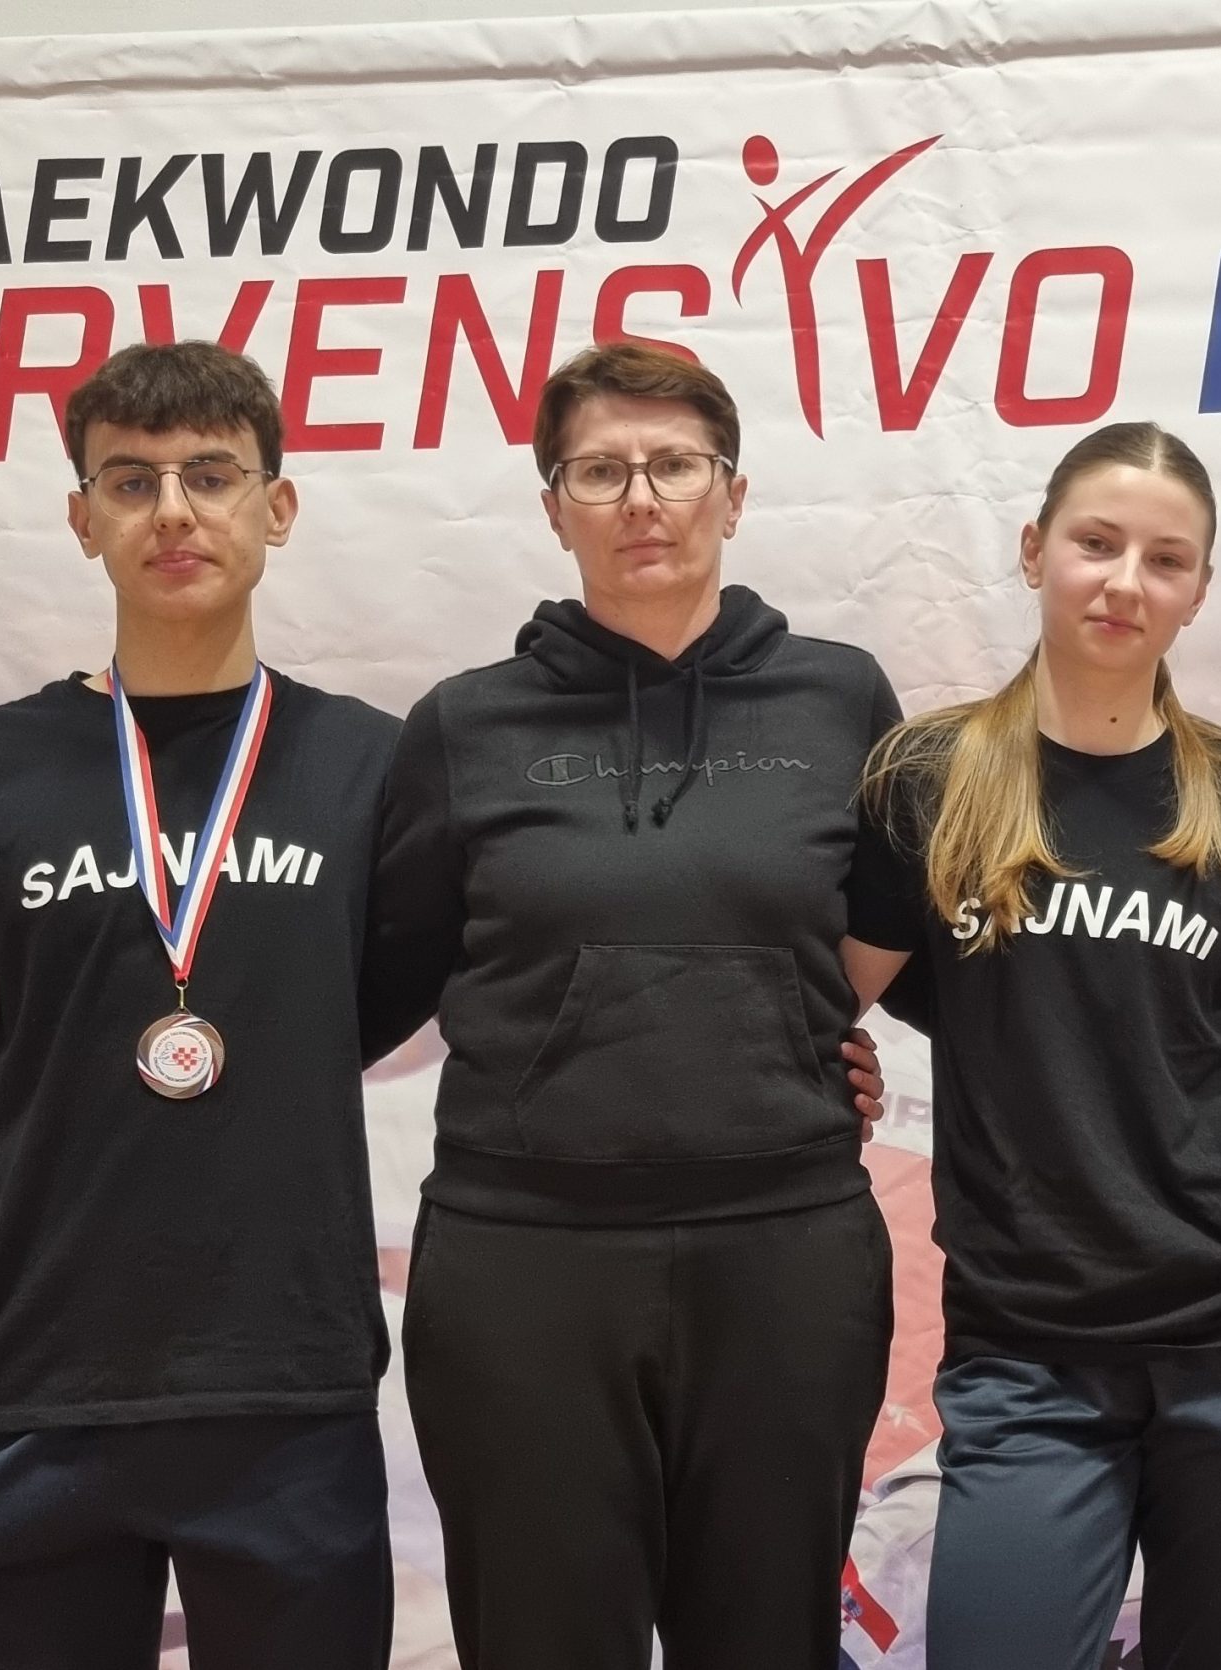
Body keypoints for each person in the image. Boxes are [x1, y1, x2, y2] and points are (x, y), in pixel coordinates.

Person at [362, 341, 899, 1670]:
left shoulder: (841, 700)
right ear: (555, 508)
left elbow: (925, 950)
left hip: (785, 1253)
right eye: (600, 471)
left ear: (733, 492)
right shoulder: (464, 726)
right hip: (525, 1263)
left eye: (674, 465)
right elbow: (366, 994)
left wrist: (794, 1034)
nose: (641, 497)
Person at [0, 342, 396, 1667]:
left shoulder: (374, 767)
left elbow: (510, 988)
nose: (172, 510)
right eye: (131, 480)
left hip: (285, 1392)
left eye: (211, 474)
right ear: (82, 516)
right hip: (17, 1398)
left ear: (277, 506)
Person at [841, 421, 1221, 1670]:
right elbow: (822, 998)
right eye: (1096, 543)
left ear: (1199, 589)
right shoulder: (927, 779)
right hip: (1031, 1351)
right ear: (1034, 548)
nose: (1124, 581)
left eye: (1165, 558)